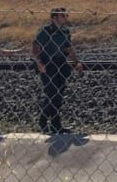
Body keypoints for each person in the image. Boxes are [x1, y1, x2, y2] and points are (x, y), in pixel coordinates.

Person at [31, 7, 83, 135]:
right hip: (47, 64)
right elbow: (35, 47)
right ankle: (43, 120)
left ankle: (56, 125)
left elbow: (68, 48)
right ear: (54, 17)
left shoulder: (65, 31)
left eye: (65, 15)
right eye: (62, 15)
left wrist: (76, 62)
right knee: (51, 93)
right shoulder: (46, 31)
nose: (65, 18)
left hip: (61, 64)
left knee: (58, 95)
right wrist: (39, 63)